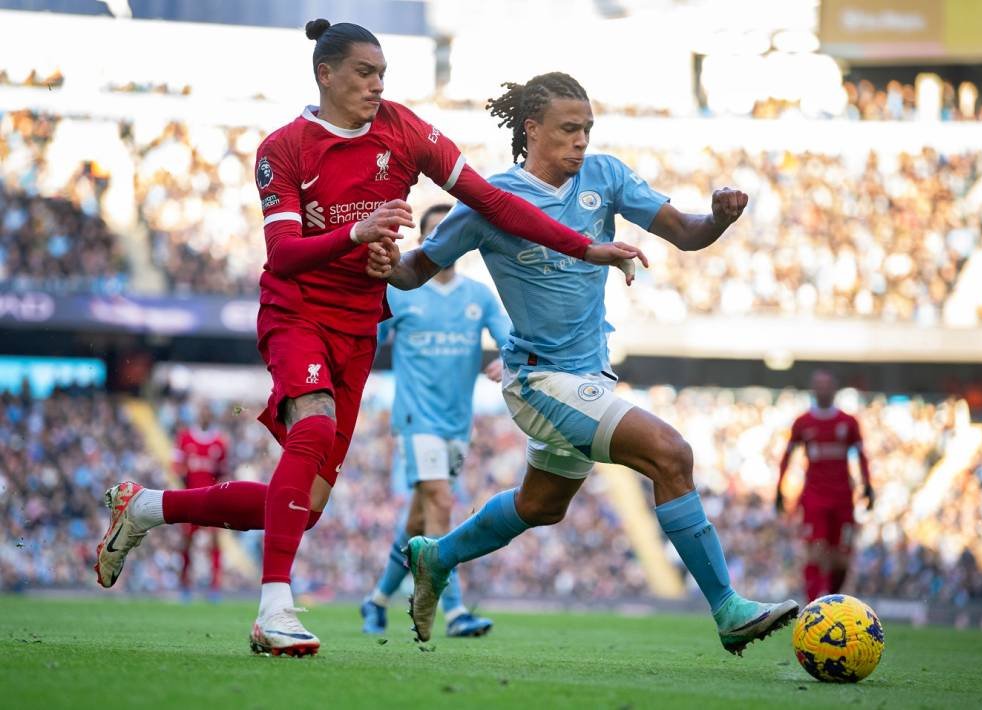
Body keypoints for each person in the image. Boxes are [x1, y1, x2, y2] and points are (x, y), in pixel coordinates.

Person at [93, 21, 644, 658]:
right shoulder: (284, 148)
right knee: (316, 425)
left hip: (358, 327)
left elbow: (491, 201)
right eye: (364, 72)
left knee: (305, 505)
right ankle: (274, 609)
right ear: (324, 74)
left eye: (383, 73)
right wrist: (354, 237)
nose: (377, 84)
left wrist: (586, 246)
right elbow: (283, 256)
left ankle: (148, 508)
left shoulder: (403, 130)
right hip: (295, 311)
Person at [367, 72, 798, 654]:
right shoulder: (490, 202)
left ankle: (436, 556)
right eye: (569, 130)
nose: (581, 142)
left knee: (540, 506)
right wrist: (382, 258)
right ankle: (727, 609)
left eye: (587, 130)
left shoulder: (606, 177)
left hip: (589, 375)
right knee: (671, 455)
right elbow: (417, 270)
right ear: (532, 129)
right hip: (538, 380)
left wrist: (718, 218)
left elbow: (687, 233)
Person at [360, 203, 508, 638]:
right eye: (433, 234)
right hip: (415, 417)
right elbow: (367, 337)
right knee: (442, 503)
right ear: (423, 242)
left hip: (456, 424)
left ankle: (377, 599)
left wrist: (508, 357)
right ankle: (455, 611)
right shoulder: (401, 292)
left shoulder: (478, 296)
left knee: (418, 519)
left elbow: (507, 334)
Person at [776, 369, 874, 602]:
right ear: (813, 389)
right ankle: (814, 604)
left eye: (826, 385)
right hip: (815, 496)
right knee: (815, 549)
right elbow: (786, 456)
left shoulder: (848, 423)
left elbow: (862, 456)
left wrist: (868, 485)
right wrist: (779, 488)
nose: (822, 389)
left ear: (834, 389)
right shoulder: (803, 423)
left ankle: (831, 598)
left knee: (842, 557)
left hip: (842, 497)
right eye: (818, 385)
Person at [172, 402, 228, 600]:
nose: (204, 416)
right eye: (202, 412)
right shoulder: (185, 438)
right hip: (190, 499)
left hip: (211, 501)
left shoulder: (220, 443)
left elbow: (222, 473)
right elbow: (177, 467)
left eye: (207, 413)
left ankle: (215, 587)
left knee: (214, 542)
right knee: (186, 542)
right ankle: (184, 584)